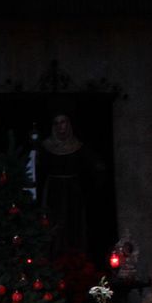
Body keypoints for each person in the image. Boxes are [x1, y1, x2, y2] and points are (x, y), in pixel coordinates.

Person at [37, 112, 107, 265]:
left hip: (73, 193)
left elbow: (96, 164)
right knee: (53, 225)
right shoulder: (45, 147)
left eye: (63, 122)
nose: (60, 127)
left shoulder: (78, 146)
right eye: (57, 123)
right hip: (52, 193)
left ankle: (74, 261)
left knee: (73, 226)